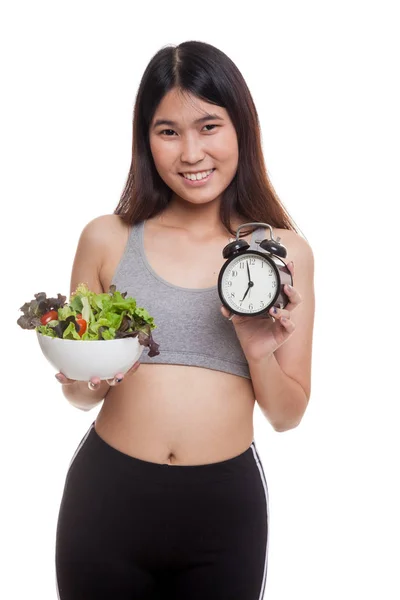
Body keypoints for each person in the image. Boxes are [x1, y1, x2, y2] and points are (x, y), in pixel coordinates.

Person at [54, 40, 315, 600]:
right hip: (107, 499)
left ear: (241, 128)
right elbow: (83, 395)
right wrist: (79, 382)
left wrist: (256, 349)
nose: (191, 152)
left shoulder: (281, 253)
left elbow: (288, 414)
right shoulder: (106, 238)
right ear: (146, 140)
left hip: (223, 513)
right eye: (168, 131)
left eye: (209, 126)